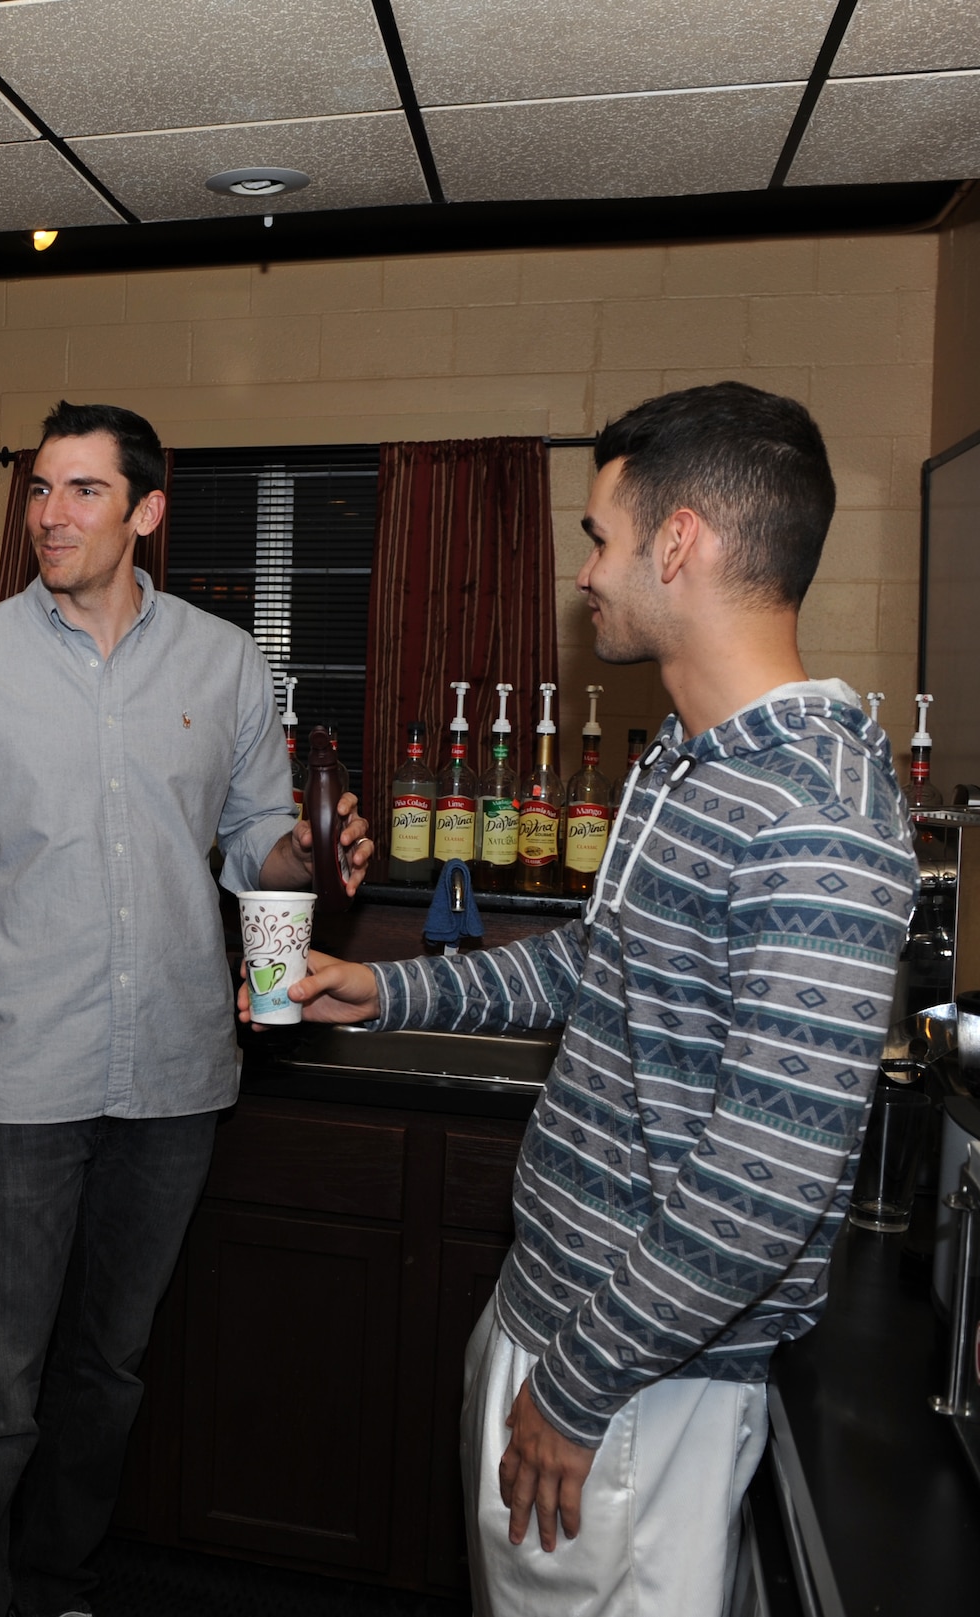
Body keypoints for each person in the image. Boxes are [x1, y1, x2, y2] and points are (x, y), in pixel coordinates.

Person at [252, 382, 916, 1616]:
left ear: (680, 544)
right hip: (556, 1314)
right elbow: (590, 965)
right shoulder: (687, 760)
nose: (585, 575)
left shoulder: (812, 814)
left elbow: (763, 1181)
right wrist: (384, 990)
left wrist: (577, 1384)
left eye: (600, 537)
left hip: (636, 1382)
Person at [0, 399, 373, 1617]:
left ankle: (59, 1581)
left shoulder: (225, 660)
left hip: (177, 1071)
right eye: (37, 489)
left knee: (109, 1368)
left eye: (82, 490)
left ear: (143, 511)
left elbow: (255, 850)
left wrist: (308, 855)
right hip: (20, 1074)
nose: (48, 514)